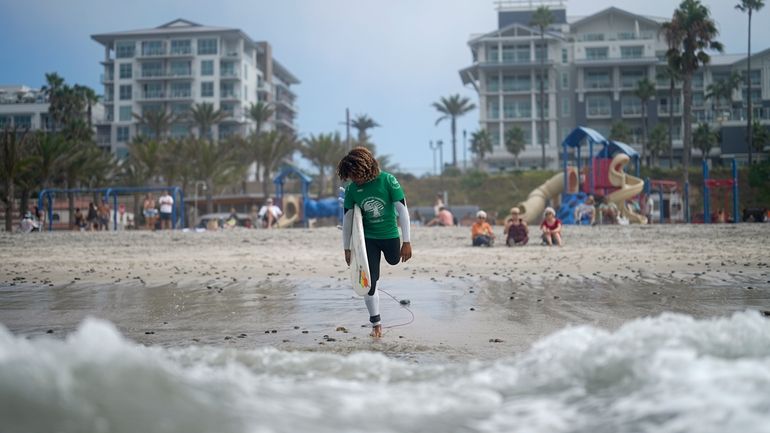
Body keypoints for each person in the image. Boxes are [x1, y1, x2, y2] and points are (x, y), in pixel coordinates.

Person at [338, 146, 412, 338]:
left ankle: (376, 315)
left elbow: (403, 211)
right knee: (369, 284)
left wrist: (407, 241)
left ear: (366, 168)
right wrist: (347, 248)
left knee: (395, 260)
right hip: (368, 239)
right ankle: (376, 324)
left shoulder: (387, 180)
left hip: (389, 234)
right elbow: (347, 220)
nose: (355, 179)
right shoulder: (352, 189)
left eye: (356, 175)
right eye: (351, 176)